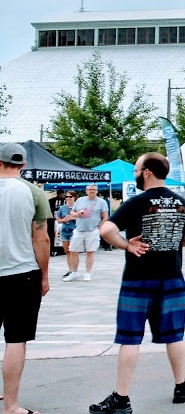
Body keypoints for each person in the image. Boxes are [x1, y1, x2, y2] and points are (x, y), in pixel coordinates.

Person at [90, 152, 185, 413]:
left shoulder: (137, 202)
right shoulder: (181, 202)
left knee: (130, 338)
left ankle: (121, 398)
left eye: (136, 169)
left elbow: (106, 230)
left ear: (147, 172)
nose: (135, 174)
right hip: (172, 278)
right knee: (174, 335)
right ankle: (181, 386)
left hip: (138, 280)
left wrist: (127, 245)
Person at [0, 143, 50, 414]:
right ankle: (11, 406)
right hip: (21, 274)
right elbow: (41, 239)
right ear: (23, 165)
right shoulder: (34, 192)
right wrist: (44, 276)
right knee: (16, 340)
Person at [65, 183, 109, 282]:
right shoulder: (80, 200)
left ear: (97, 191)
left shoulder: (101, 202)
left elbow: (105, 216)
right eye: (90, 189)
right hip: (79, 229)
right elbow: (72, 212)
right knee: (73, 250)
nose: (92, 191)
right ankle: (74, 272)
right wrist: (77, 214)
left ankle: (87, 273)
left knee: (90, 251)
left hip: (92, 230)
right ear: (86, 190)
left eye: (94, 189)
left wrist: (100, 228)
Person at [56, 190, 78, 277]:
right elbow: (58, 219)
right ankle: (70, 269)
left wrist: (72, 218)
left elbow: (82, 218)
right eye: (67, 197)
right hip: (65, 230)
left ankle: (74, 269)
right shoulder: (62, 208)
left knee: (73, 251)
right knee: (67, 251)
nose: (68, 198)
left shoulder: (77, 207)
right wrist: (64, 220)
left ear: (74, 198)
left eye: (70, 197)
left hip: (74, 230)